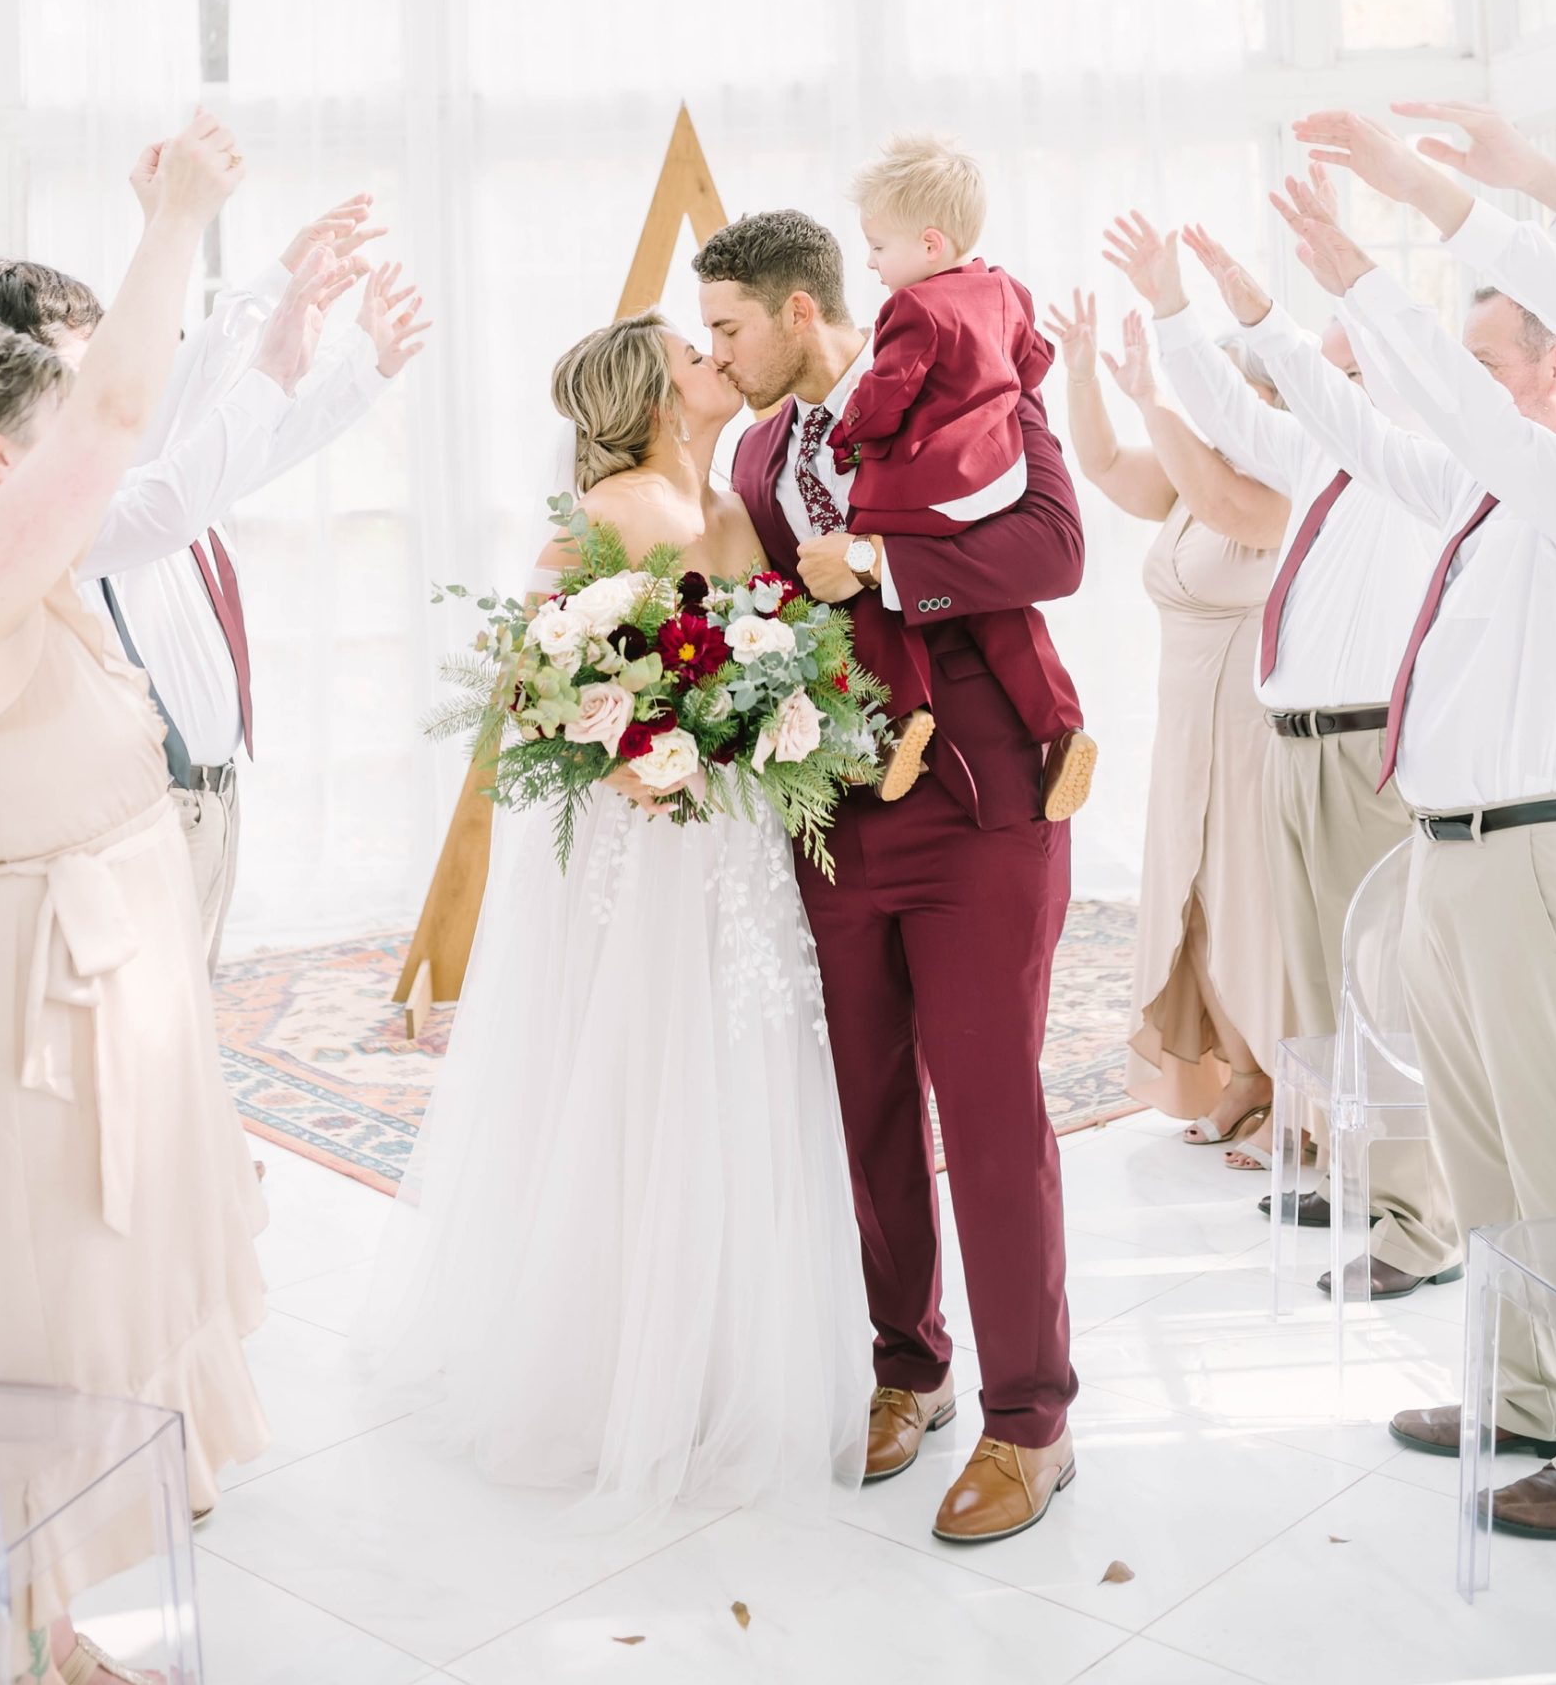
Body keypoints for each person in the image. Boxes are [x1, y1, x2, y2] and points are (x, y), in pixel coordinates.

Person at [0, 113, 270, 1685]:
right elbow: (119, 404)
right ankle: (37, 1632)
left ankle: (74, 1612)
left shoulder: (21, 574)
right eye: (72, 443)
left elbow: (136, 431)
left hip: (106, 976)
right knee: (50, 1316)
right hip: (34, 1011)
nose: (108, 459)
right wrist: (172, 219)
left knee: (116, 1292)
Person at [356, 311, 869, 1519]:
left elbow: (774, 656)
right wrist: (629, 751)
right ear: (653, 395)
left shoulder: (737, 511)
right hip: (641, 854)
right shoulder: (613, 509)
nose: (716, 362)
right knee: (640, 1073)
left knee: (735, 1069)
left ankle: (723, 1363)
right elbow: (531, 687)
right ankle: (612, 1371)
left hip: (735, 838)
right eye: (696, 353)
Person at [695, 210, 1083, 1547]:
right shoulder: (752, 452)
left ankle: (1032, 1420)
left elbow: (1053, 551)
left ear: (803, 311)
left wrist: (883, 564)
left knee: (985, 1108)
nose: (717, 356)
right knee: (862, 1106)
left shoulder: (971, 386)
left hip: (980, 800)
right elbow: (759, 613)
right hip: (833, 814)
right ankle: (904, 1367)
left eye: (730, 329)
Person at [1197, 162, 1556, 1542]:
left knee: (1546, 1150)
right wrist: (1252, 324)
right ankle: (1525, 1393)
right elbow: (1353, 430)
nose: (1465, 388)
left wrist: (1368, 264)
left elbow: (1446, 403)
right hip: (1452, 851)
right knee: (1484, 1154)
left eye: (1486, 364)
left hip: (1527, 857)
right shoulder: (1477, 498)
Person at [0, 207, 428, 969]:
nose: (106, 392)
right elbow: (169, 502)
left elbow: (228, 444)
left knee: (174, 1051)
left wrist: (354, 360)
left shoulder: (70, 465)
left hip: (198, 799)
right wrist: (272, 352)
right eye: (78, 376)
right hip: (121, 819)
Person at [1106, 211, 1458, 1297]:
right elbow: (1220, 407)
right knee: (1315, 986)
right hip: (1295, 745)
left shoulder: (1417, 457)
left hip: (1360, 748)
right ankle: (1347, 1168)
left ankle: (1417, 1221)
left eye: (1337, 359)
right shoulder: (1318, 456)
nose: (1312, 375)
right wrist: (1172, 307)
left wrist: (1261, 306)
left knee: (1378, 991)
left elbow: (1301, 375)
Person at [1046, 282, 1289, 1159]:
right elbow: (1108, 465)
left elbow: (1229, 509)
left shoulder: (1283, 486)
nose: (1216, 410)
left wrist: (1157, 403)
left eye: (1234, 393)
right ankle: (1244, 1077)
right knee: (1192, 904)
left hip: (1251, 728)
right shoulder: (1194, 478)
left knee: (1246, 905)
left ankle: (1290, 1093)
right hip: (1187, 726)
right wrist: (1082, 375)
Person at [829, 134, 1089, 807]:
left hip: (926, 483)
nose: (871, 262)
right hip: (996, 475)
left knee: (873, 576)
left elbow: (889, 392)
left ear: (930, 245)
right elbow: (1033, 362)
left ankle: (905, 721)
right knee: (999, 603)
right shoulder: (1006, 289)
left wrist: (849, 434)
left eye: (879, 247)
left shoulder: (911, 309)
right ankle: (1061, 729)